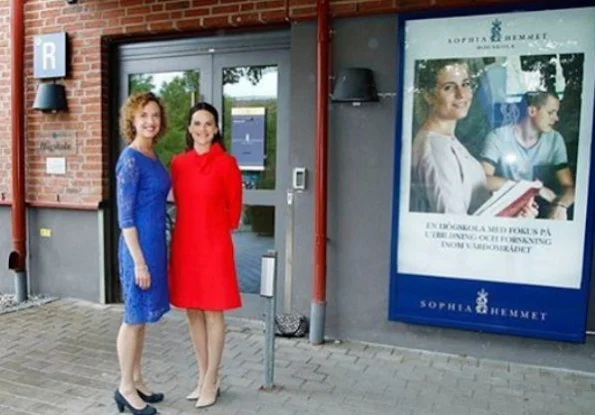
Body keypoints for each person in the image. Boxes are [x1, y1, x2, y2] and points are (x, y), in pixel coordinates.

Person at [169, 102, 243, 409]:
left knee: (213, 311)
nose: (203, 129)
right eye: (197, 123)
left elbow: (234, 212)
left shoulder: (227, 163)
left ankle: (212, 379)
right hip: (186, 244)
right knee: (192, 311)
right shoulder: (178, 164)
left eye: (208, 123)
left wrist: (212, 229)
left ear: (216, 128)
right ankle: (202, 376)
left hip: (213, 246)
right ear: (189, 128)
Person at [410, 58, 536, 217]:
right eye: (449, 87)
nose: (461, 94)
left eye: (466, 84)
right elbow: (452, 225)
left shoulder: (446, 140)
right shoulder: (437, 150)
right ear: (429, 96)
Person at [114, 92, 171, 415]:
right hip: (137, 250)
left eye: (155, 115)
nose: (150, 121)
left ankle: (136, 379)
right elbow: (125, 217)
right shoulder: (131, 159)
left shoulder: (152, 154)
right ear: (132, 121)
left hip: (154, 245)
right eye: (143, 116)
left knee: (143, 319)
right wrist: (138, 262)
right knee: (133, 318)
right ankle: (124, 388)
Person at [480, 91, 575, 220]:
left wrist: (561, 206)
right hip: (506, 212)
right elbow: (483, 180)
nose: (556, 118)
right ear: (532, 111)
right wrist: (532, 188)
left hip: (542, 211)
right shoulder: (498, 137)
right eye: (551, 113)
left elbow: (568, 186)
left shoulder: (555, 139)